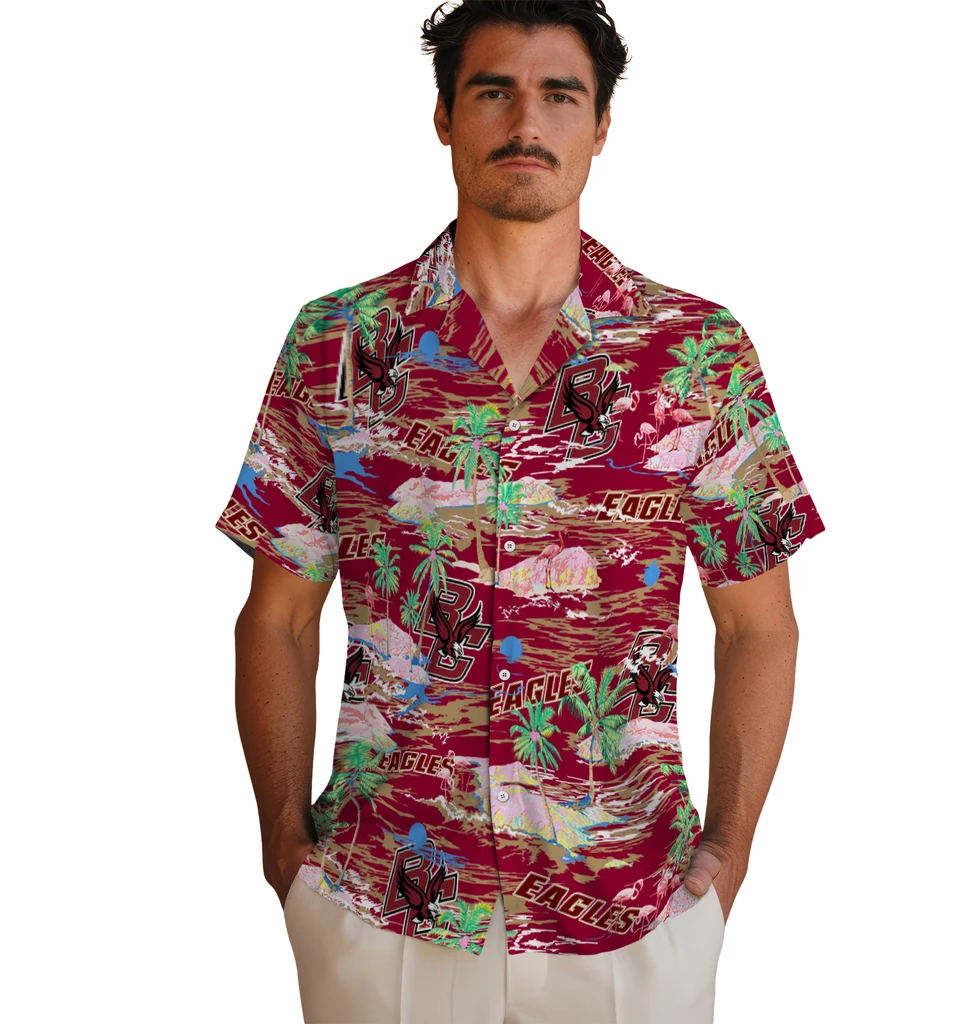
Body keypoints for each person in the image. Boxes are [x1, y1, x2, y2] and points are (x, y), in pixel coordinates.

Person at [213, 2, 826, 1021]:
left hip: (630, 908)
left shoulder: (697, 353)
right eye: (493, 91)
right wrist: (285, 845)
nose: (526, 121)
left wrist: (730, 851)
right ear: (444, 116)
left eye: (560, 94)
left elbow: (758, 625)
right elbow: (275, 617)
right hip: (384, 901)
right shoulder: (339, 343)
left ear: (602, 124)